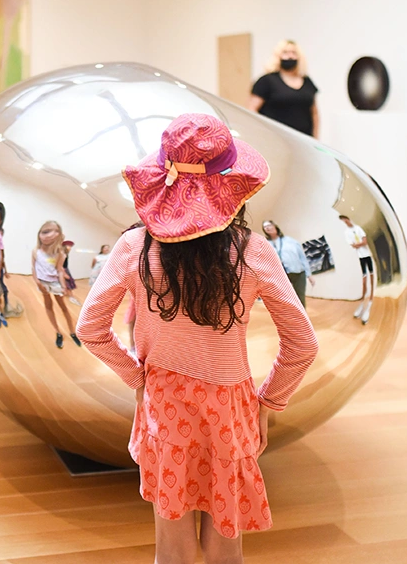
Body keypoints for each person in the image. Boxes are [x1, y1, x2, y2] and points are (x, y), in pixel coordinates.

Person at [77, 114, 318, 564]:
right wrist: (268, 402)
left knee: (172, 548)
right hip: (230, 409)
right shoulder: (254, 251)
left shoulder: (134, 248)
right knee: (226, 546)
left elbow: (90, 328)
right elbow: (303, 344)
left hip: (164, 406)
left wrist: (138, 378)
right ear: (231, 185)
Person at [248, 40, 319, 138]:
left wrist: (316, 139)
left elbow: (314, 113)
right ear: (278, 56)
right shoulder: (266, 81)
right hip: (276, 139)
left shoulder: (307, 82)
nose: (290, 56)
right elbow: (252, 110)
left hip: (304, 140)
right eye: (285, 52)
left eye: (294, 53)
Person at [32, 221, 81, 349]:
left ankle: (72, 332)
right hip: (43, 283)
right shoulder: (35, 251)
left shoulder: (60, 253)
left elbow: (60, 270)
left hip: (55, 283)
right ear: (39, 234)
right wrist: (37, 282)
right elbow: (34, 267)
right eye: (45, 231)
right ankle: (58, 333)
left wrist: (64, 287)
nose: (49, 235)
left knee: (63, 307)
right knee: (48, 306)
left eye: (54, 231)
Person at [262, 220, 314, 307]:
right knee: (285, 299)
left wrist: (309, 274)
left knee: (300, 297)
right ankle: (291, 318)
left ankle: (302, 319)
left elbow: (302, 257)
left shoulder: (290, 241)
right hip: (281, 276)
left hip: (298, 273)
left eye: (269, 225)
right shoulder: (266, 244)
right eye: (265, 227)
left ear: (275, 226)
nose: (267, 227)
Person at [339, 215, 374, 324]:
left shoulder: (359, 228)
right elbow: (353, 245)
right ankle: (363, 302)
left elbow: (364, 242)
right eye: (344, 221)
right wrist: (359, 244)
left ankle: (370, 303)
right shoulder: (346, 232)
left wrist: (357, 244)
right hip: (361, 258)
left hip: (368, 256)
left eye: (346, 220)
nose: (346, 222)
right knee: (364, 281)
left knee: (372, 279)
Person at [61, 240, 82, 306]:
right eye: (69, 246)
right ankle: (71, 297)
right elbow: (60, 265)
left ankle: (66, 294)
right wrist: (64, 273)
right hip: (63, 270)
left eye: (71, 246)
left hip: (65, 269)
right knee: (68, 282)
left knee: (66, 283)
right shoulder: (63, 254)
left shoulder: (65, 254)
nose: (70, 247)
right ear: (64, 246)